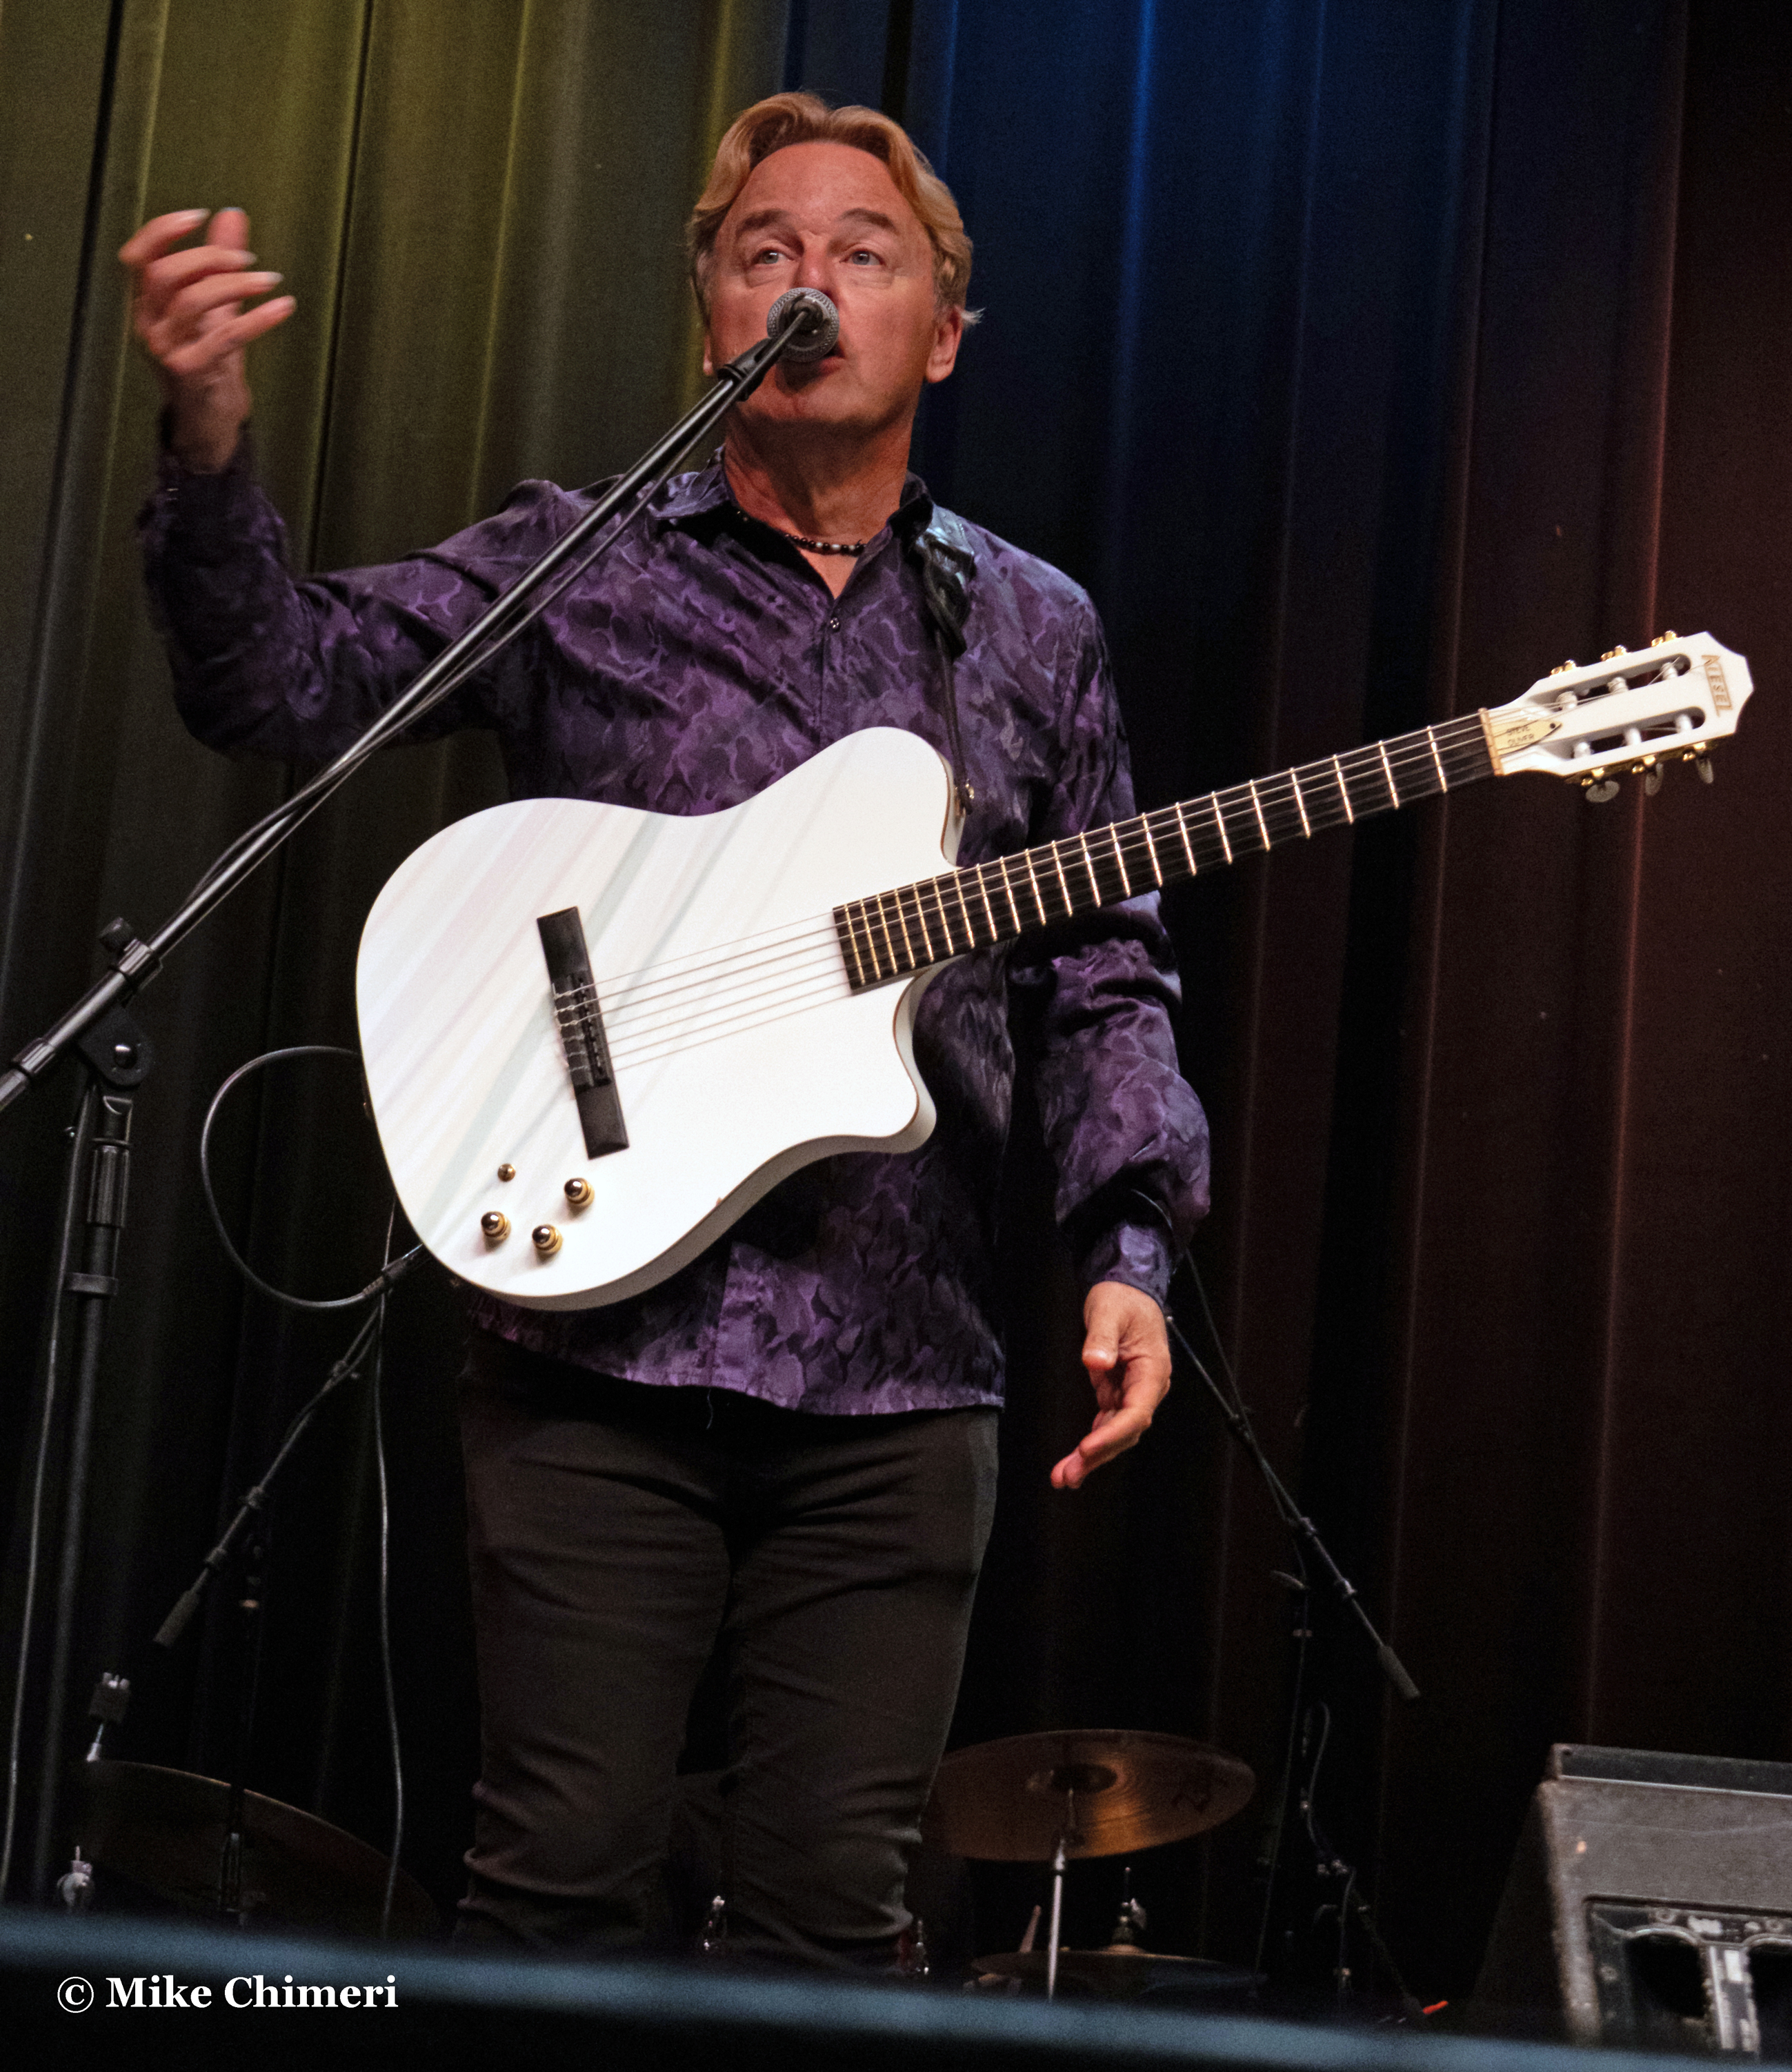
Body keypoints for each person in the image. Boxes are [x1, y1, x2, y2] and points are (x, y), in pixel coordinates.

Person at [121, 92, 1210, 1966]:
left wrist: (1131, 1249)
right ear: (714, 315)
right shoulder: (587, 560)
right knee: (556, 1885)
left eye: (861, 252)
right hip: (592, 1346)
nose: (809, 280)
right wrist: (209, 443)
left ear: (944, 334)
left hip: (897, 1368)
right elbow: (279, 681)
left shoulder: (1033, 630)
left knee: (831, 1922)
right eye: (763, 250)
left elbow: (1104, 963)